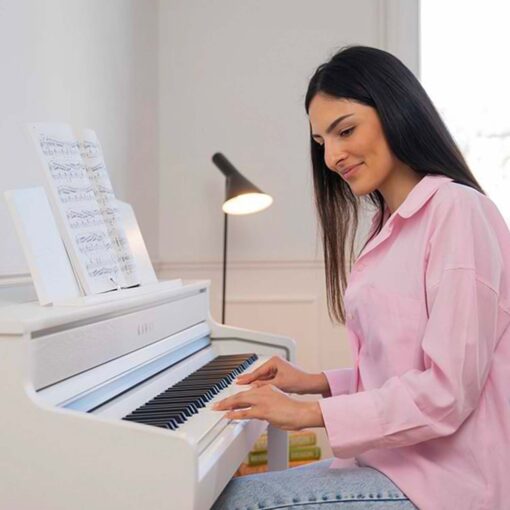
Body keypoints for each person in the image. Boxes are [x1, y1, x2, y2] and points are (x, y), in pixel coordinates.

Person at [211, 45, 510, 510]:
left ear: (396, 111)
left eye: (345, 130)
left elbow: (448, 391)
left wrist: (309, 413)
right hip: (394, 466)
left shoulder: (458, 212)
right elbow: (405, 370)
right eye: (321, 142)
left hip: (448, 485)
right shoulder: (388, 225)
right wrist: (316, 381)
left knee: (231, 503)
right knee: (216, 494)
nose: (332, 156)